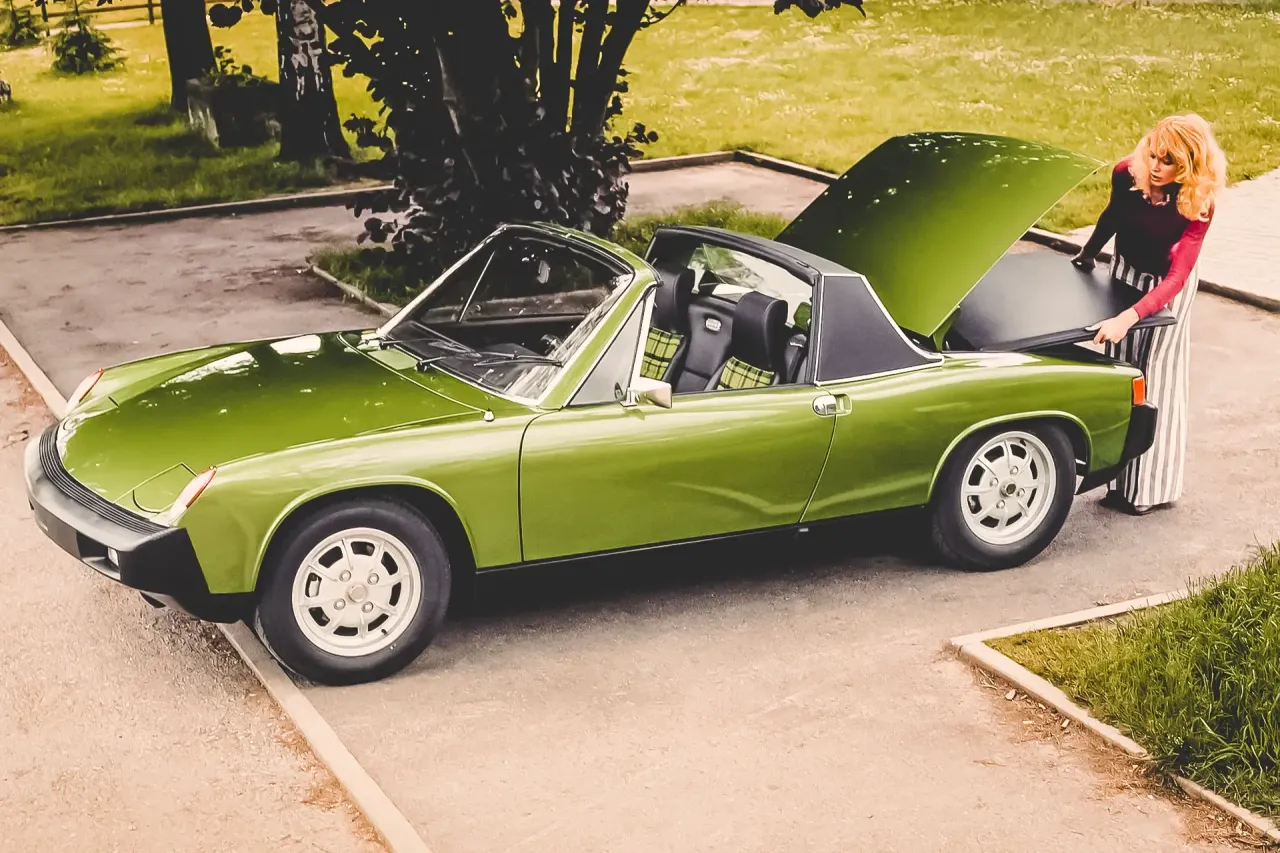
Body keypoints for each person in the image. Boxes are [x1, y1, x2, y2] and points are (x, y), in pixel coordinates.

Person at [1071, 113, 1227, 516]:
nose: (1156, 167)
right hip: (1126, 270)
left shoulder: (1199, 203)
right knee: (1122, 374)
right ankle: (1116, 480)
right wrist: (1087, 254)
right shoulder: (1127, 173)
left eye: (1168, 161)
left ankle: (1150, 490)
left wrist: (1127, 318)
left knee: (1156, 377)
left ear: (1188, 165)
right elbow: (1112, 216)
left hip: (1167, 287)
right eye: (1153, 155)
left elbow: (1177, 277)